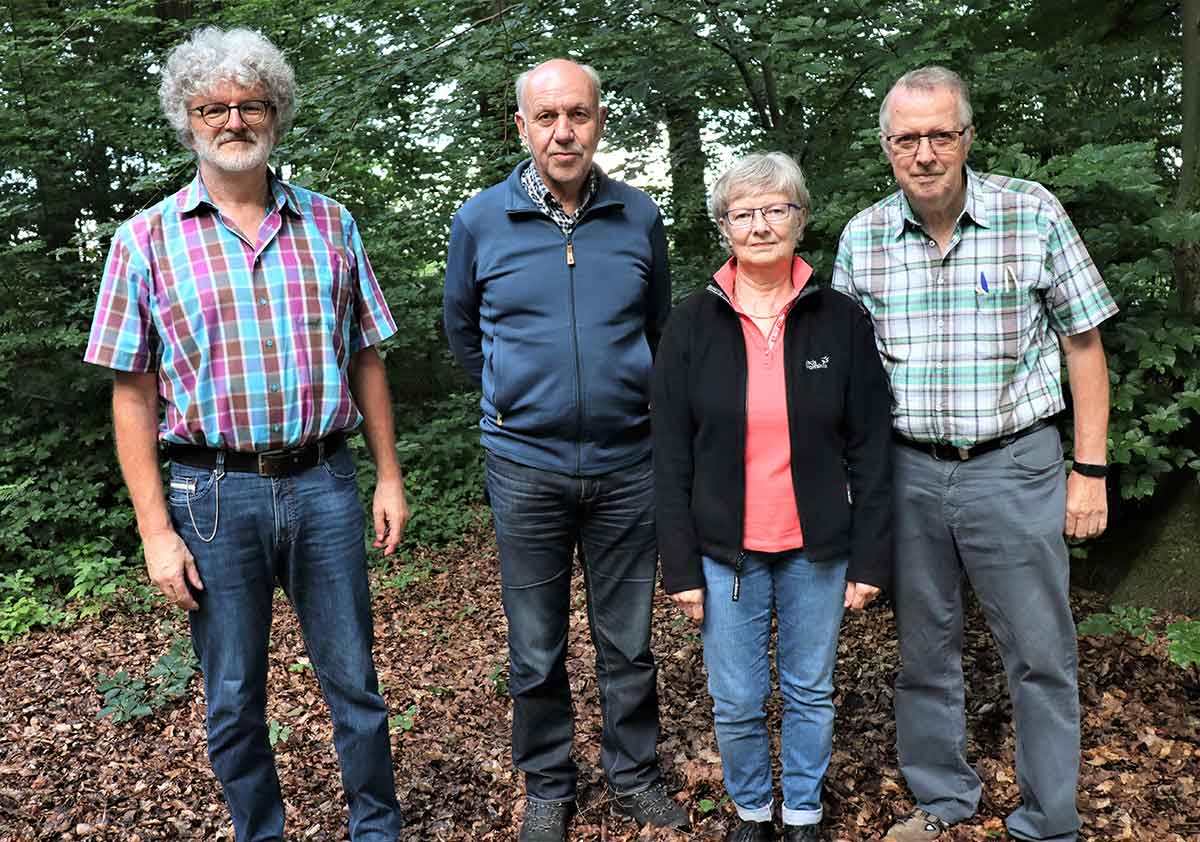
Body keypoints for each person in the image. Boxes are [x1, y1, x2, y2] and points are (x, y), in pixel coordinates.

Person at [84, 27, 407, 842]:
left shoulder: (331, 225)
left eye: (249, 103)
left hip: (326, 484)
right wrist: (156, 530)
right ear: (187, 119)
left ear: (276, 113)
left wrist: (389, 475)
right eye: (212, 106)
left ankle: (377, 830)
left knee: (355, 683)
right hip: (210, 495)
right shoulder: (145, 239)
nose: (233, 118)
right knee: (232, 692)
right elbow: (132, 394)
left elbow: (365, 356)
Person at [832, 66, 1117, 842]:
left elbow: (1084, 346)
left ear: (966, 137)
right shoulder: (862, 238)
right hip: (909, 471)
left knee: (1040, 653)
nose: (923, 153)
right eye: (906, 138)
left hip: (1015, 465)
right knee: (925, 649)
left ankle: (1049, 820)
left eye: (939, 135)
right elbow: (851, 383)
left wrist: (1088, 470)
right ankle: (942, 799)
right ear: (886, 146)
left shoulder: (1031, 214)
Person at [442, 58, 686, 842]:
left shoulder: (639, 217)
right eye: (546, 117)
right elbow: (463, 333)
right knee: (535, 645)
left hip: (626, 466)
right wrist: (515, 400)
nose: (563, 131)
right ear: (521, 127)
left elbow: (657, 330)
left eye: (577, 114)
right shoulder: (480, 220)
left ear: (600, 120)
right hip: (526, 468)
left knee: (629, 643)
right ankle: (548, 782)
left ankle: (634, 775)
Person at [652, 152, 894, 842]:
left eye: (776, 209)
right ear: (724, 226)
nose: (761, 225)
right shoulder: (691, 322)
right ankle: (754, 812)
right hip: (724, 549)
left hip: (817, 545)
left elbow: (870, 447)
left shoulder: (840, 320)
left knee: (811, 691)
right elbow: (668, 451)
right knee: (735, 699)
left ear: (800, 218)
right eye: (744, 213)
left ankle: (803, 814)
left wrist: (871, 558)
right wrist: (680, 564)